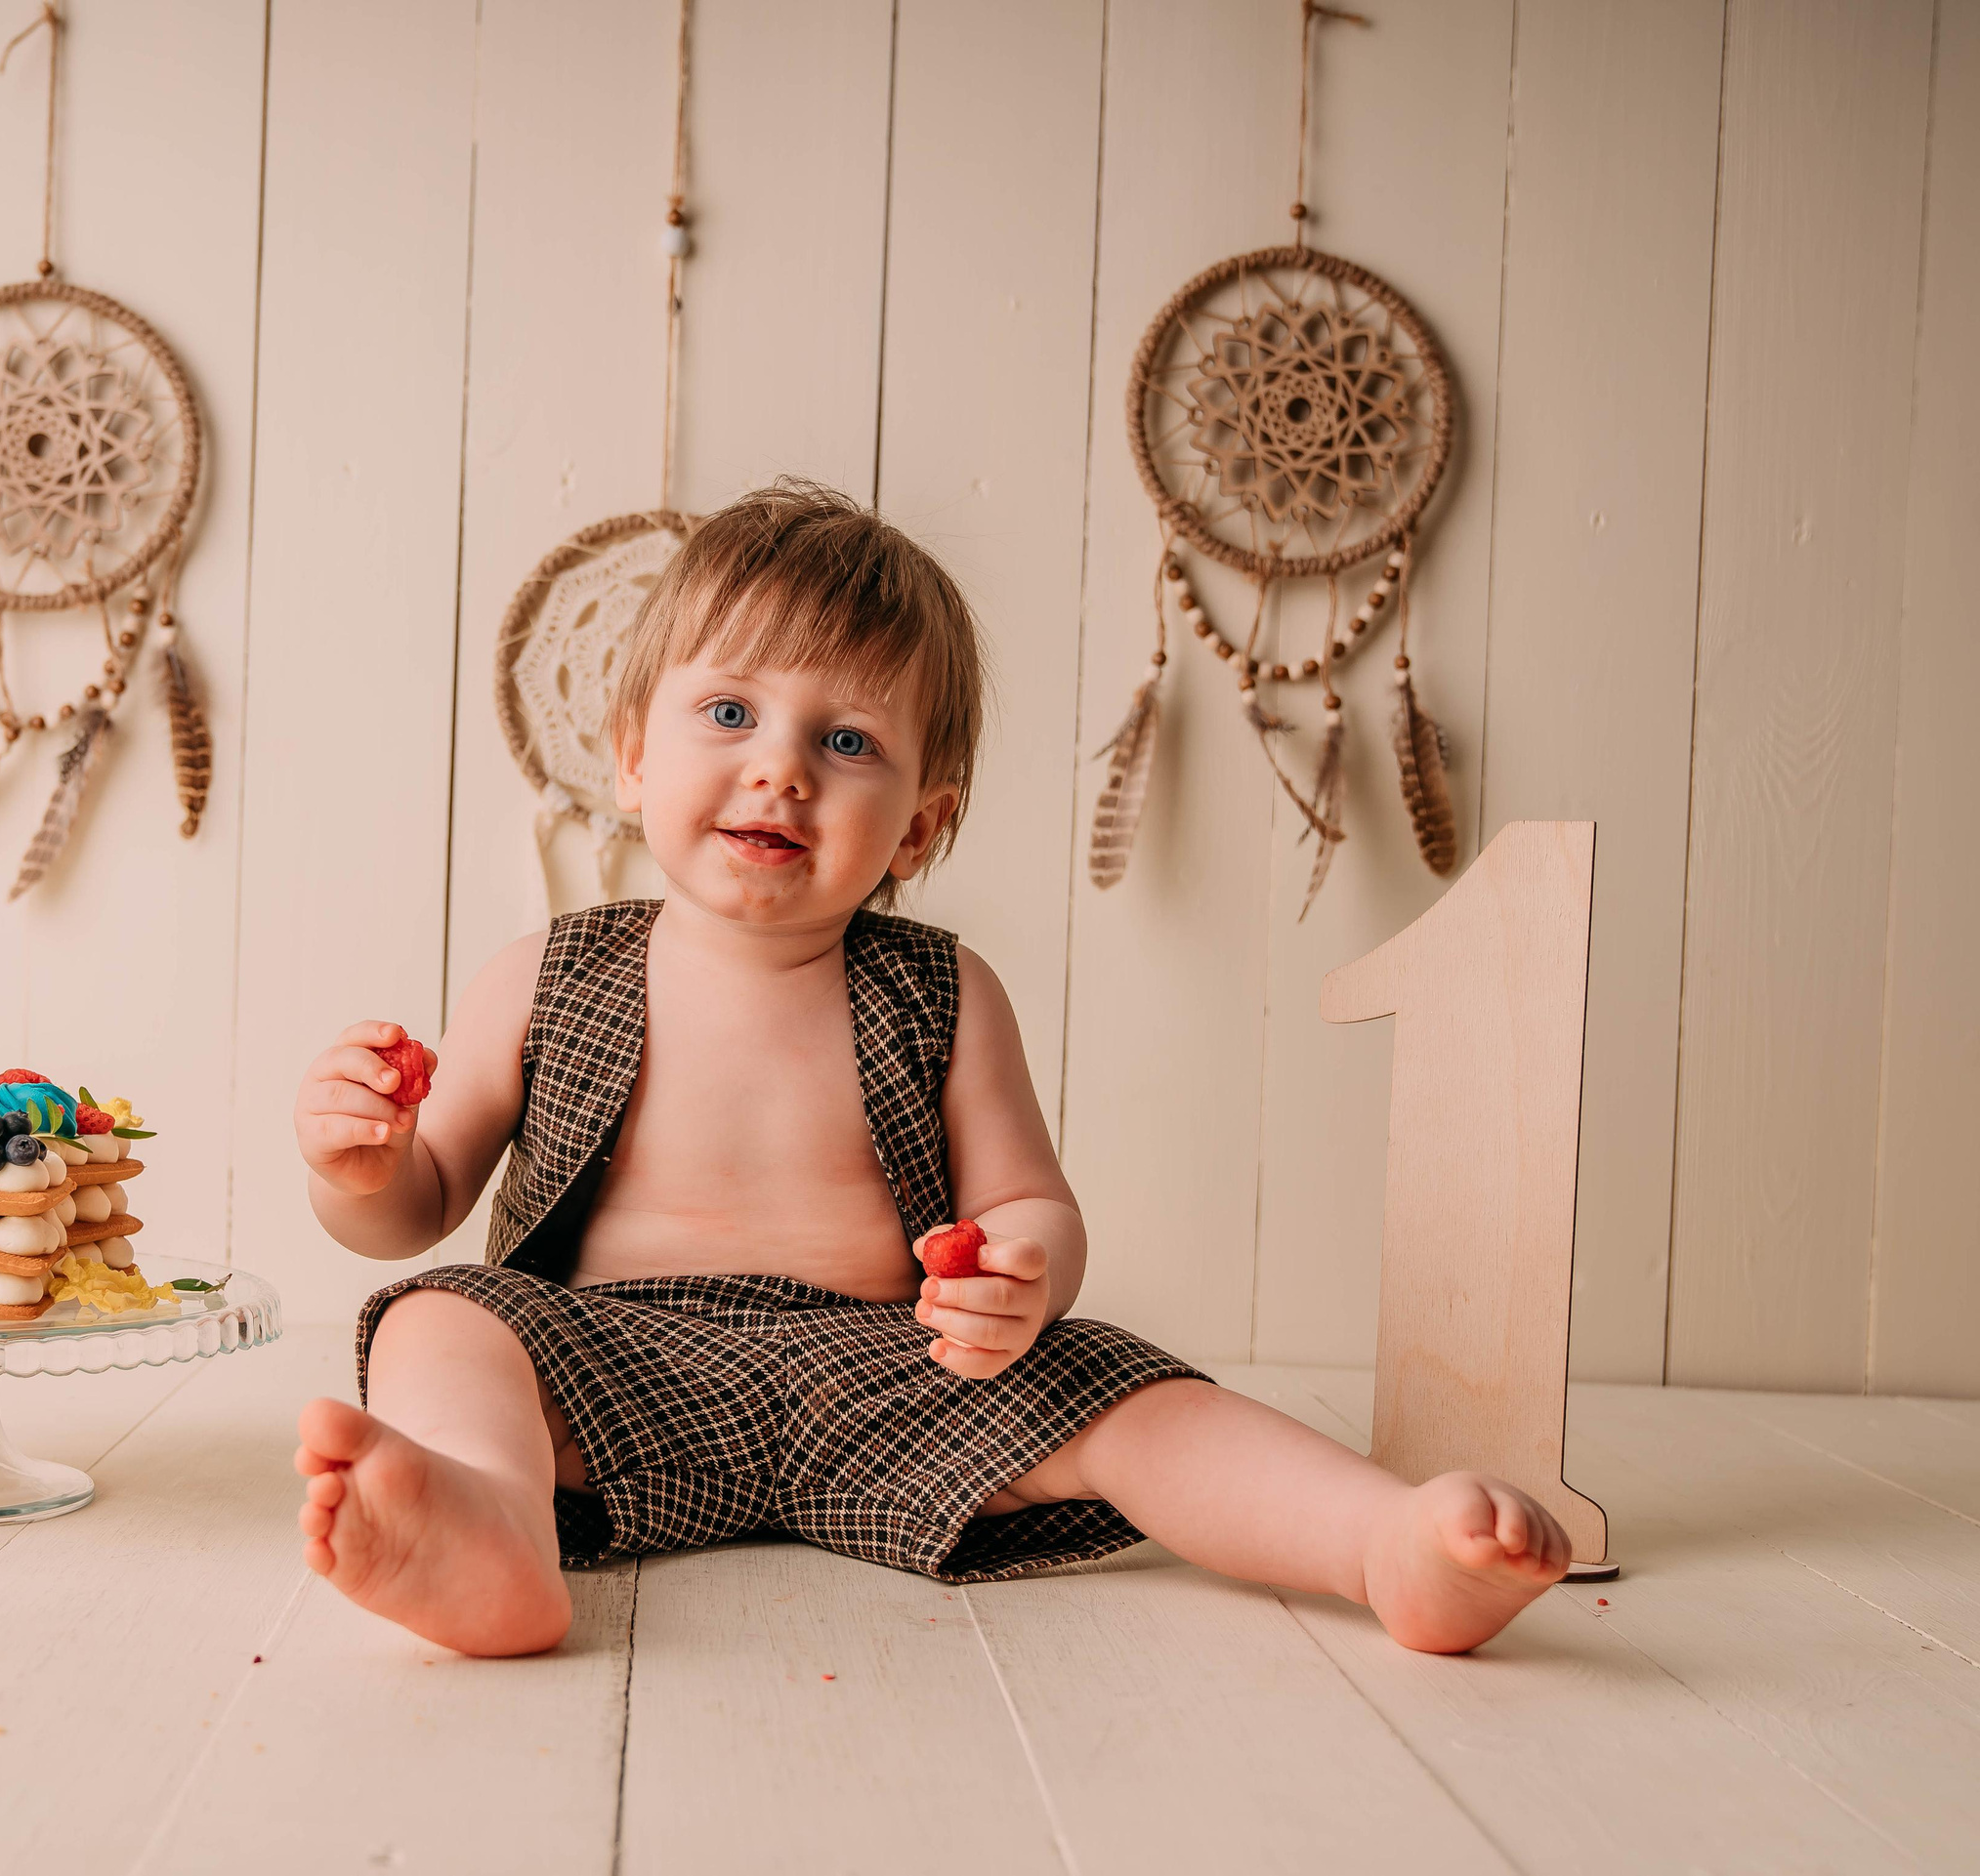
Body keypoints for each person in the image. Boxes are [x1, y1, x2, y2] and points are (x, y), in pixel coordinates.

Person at [291, 480, 1569, 1658]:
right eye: (729, 712)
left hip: (893, 1372)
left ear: (923, 820)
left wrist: (1023, 1272)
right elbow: (421, 1203)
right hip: (614, 1374)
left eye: (847, 741)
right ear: (633, 755)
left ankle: (1381, 1542)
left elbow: (1030, 1201)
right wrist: (366, 1162)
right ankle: (498, 1523)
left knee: (1122, 1383)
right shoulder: (542, 976)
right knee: (439, 1315)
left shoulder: (947, 994)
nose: (781, 766)